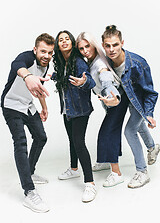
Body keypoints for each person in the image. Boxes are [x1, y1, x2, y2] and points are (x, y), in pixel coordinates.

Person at [97, 25, 159, 188]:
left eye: (115, 45)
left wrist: (149, 113)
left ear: (122, 43)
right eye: (108, 45)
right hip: (124, 100)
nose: (111, 49)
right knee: (137, 127)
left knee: (130, 130)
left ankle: (142, 172)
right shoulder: (106, 62)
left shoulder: (138, 63)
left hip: (138, 101)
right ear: (103, 45)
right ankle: (153, 147)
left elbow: (150, 92)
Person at [1, 33, 55, 212]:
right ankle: (29, 191)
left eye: (50, 53)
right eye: (43, 51)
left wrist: (44, 107)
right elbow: (16, 65)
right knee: (21, 144)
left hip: (28, 105)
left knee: (41, 137)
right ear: (35, 50)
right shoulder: (27, 57)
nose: (46, 56)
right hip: (11, 105)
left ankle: (30, 171)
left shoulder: (45, 66)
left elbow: (39, 88)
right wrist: (27, 76)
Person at [51, 30, 96, 202]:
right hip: (67, 109)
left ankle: (90, 184)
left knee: (79, 143)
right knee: (72, 140)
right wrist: (54, 76)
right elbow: (65, 79)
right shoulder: (63, 62)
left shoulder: (78, 62)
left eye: (67, 39)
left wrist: (84, 82)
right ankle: (74, 169)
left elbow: (89, 80)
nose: (64, 41)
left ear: (72, 42)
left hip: (80, 110)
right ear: (58, 45)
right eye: (60, 40)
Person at [76, 32, 122, 174]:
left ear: (94, 45)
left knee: (107, 133)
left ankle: (116, 172)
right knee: (118, 130)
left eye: (87, 46)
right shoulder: (92, 60)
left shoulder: (100, 63)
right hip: (108, 101)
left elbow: (105, 78)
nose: (85, 51)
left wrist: (112, 96)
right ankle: (105, 161)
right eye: (81, 49)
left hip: (115, 99)